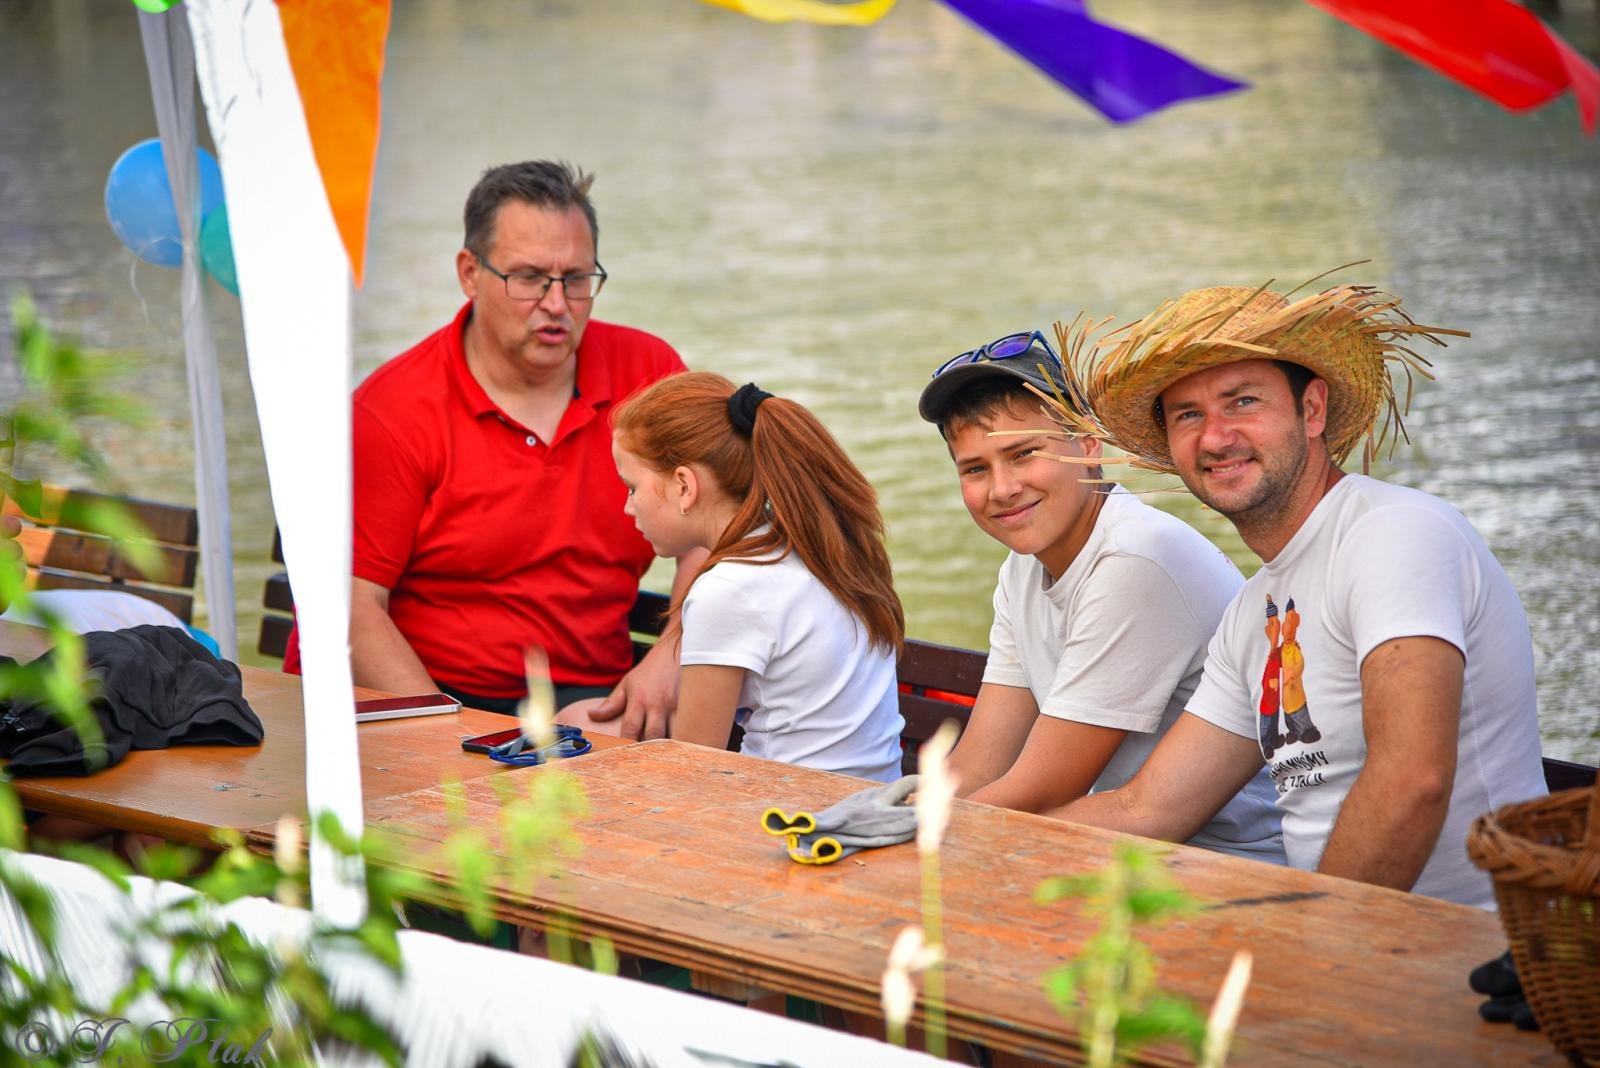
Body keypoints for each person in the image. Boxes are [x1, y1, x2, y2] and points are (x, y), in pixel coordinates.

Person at [1049, 280, 1548, 908]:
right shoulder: (1253, 611)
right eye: (1189, 415)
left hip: (1471, 946)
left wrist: (1315, 938)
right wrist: (966, 838)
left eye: (1243, 401)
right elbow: (1147, 806)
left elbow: (1412, 779)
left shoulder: (1391, 534)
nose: (1215, 437)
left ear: (1312, 410)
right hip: (1339, 934)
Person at [331, 160, 702, 735]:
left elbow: (717, 530)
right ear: (469, 272)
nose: (557, 304)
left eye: (576, 279)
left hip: (591, 694)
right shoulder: (394, 410)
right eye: (529, 277)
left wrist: (672, 652)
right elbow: (352, 607)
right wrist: (445, 743)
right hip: (425, 690)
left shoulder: (648, 374)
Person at [916, 331, 1283, 861]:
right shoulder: (1022, 567)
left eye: (1023, 454)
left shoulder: (1135, 559)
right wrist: (899, 817)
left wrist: (918, 841)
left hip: (1227, 858)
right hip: (1119, 841)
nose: (1002, 489)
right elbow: (983, 759)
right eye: (975, 469)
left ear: (1089, 445)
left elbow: (1043, 786)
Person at [561, 371, 906, 783]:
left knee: (568, 743)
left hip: (792, 817)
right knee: (577, 723)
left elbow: (693, 768)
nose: (627, 508)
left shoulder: (728, 589)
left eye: (632, 488)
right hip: (867, 798)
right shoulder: (810, 545)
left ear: (685, 487)